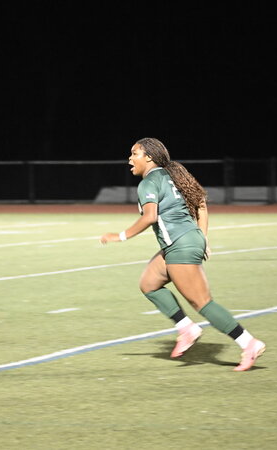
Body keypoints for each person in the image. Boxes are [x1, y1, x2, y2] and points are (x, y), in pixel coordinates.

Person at [100, 137, 266, 371]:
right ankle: (186, 328)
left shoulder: (148, 183)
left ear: (149, 157)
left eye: (134, 153)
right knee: (149, 284)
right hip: (184, 241)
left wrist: (121, 236)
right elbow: (201, 204)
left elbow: (150, 217)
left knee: (203, 303)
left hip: (180, 244)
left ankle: (248, 343)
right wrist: (202, 237)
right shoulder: (174, 175)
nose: (130, 159)